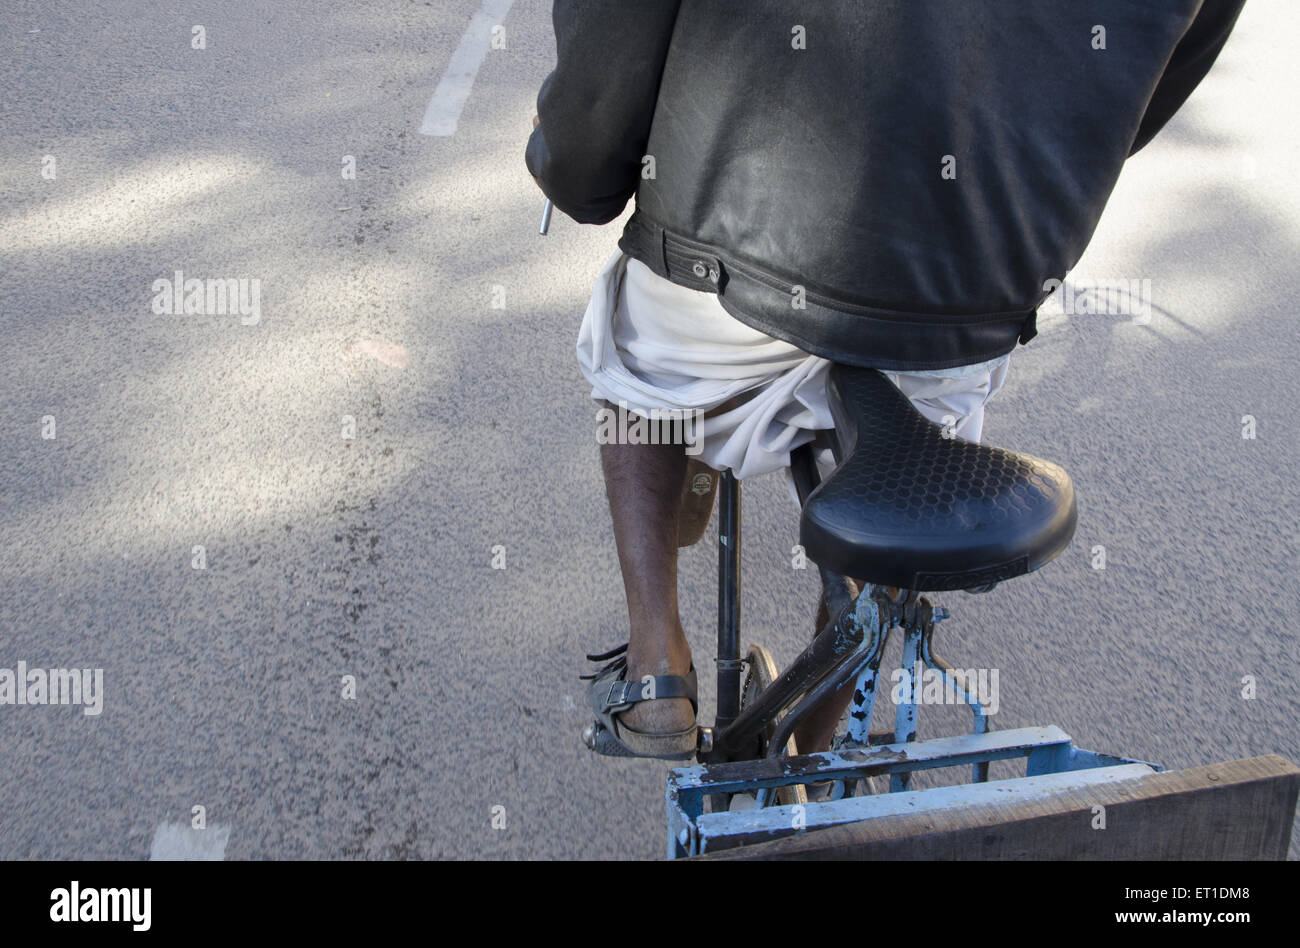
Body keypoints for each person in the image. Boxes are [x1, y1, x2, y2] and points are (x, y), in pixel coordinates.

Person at [526, 0, 1245, 760]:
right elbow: (1167, 59)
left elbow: (612, 34)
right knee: (905, 485)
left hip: (723, 269)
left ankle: (655, 673)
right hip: (960, 299)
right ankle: (819, 746)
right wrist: (1033, 184)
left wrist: (577, 168)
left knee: (631, 369)